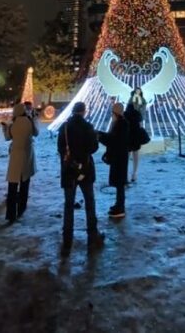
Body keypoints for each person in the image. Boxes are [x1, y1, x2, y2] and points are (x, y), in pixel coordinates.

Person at [57, 102, 105, 255]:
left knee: (69, 204)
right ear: (84, 112)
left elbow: (60, 148)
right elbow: (93, 148)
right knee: (89, 202)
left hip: (68, 170)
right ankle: (92, 236)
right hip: (85, 169)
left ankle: (67, 239)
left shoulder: (64, 127)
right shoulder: (88, 127)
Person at [3, 103, 35, 223]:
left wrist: (5, 128)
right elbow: (36, 132)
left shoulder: (13, 124)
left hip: (15, 157)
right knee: (24, 183)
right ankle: (21, 208)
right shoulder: (29, 122)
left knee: (12, 187)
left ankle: (11, 214)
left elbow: (7, 137)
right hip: (26, 156)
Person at [98, 102, 131, 218]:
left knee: (120, 183)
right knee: (119, 183)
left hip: (119, 157)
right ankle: (118, 204)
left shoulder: (121, 124)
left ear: (115, 112)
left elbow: (114, 140)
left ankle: (120, 207)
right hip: (119, 156)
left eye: (113, 111)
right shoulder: (120, 123)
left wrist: (101, 137)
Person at [125, 88, 148, 182]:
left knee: (130, 153)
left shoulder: (127, 111)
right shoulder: (136, 108)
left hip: (129, 133)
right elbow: (140, 119)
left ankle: (131, 173)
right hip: (134, 133)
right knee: (133, 153)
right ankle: (133, 173)